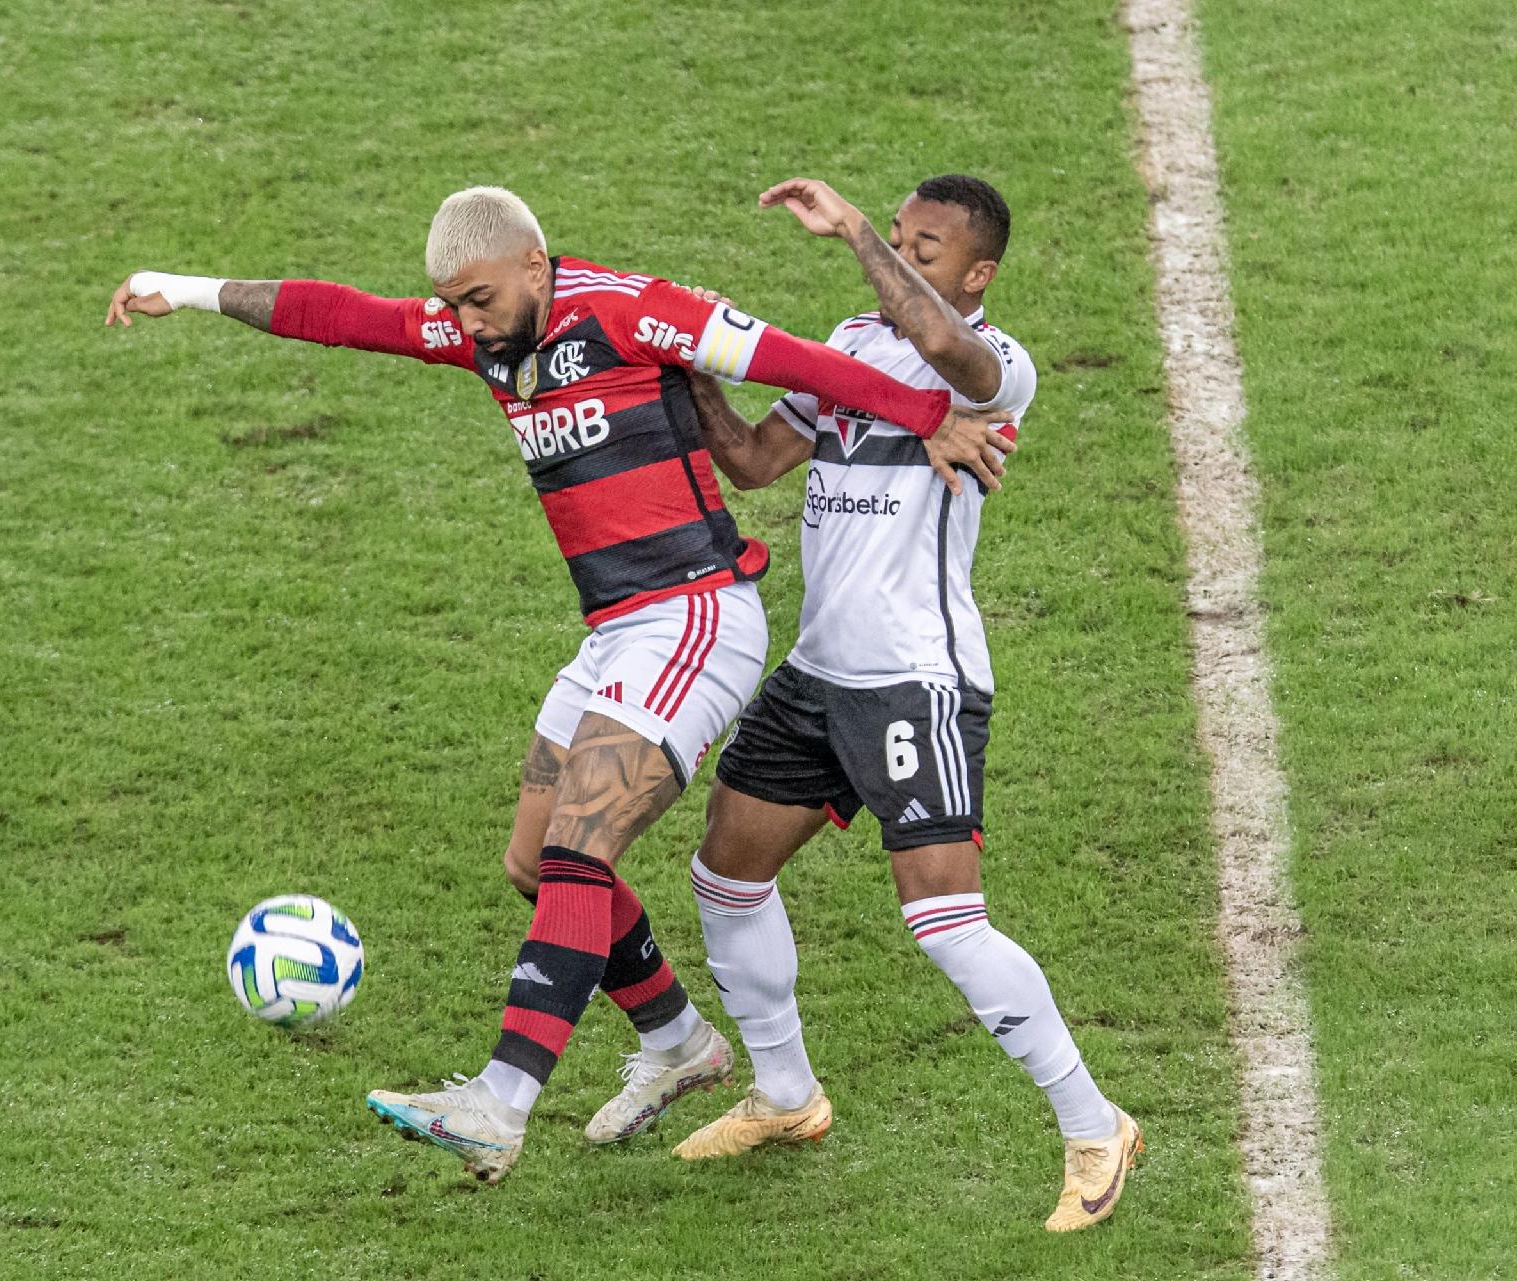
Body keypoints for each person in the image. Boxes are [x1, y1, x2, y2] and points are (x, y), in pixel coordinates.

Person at [103, 186, 1012, 1183]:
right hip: (615, 634)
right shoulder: (487, 336)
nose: (466, 325)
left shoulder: (631, 310)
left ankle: (501, 1099)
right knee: (538, 860)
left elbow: (799, 362)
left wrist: (931, 414)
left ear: (534, 266)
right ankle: (679, 1042)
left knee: (584, 844)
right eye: (451, 305)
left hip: (695, 618)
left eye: (481, 300)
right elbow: (344, 316)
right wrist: (181, 290)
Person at [671, 175, 1142, 1231]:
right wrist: (689, 365)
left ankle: (1093, 1123)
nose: (896, 259)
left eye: (922, 251)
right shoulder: (848, 346)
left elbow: (950, 357)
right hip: (819, 671)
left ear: (977, 276)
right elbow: (752, 461)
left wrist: (848, 238)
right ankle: (787, 1096)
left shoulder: (996, 370)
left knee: (943, 918)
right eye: (894, 238)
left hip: (915, 676)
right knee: (726, 872)